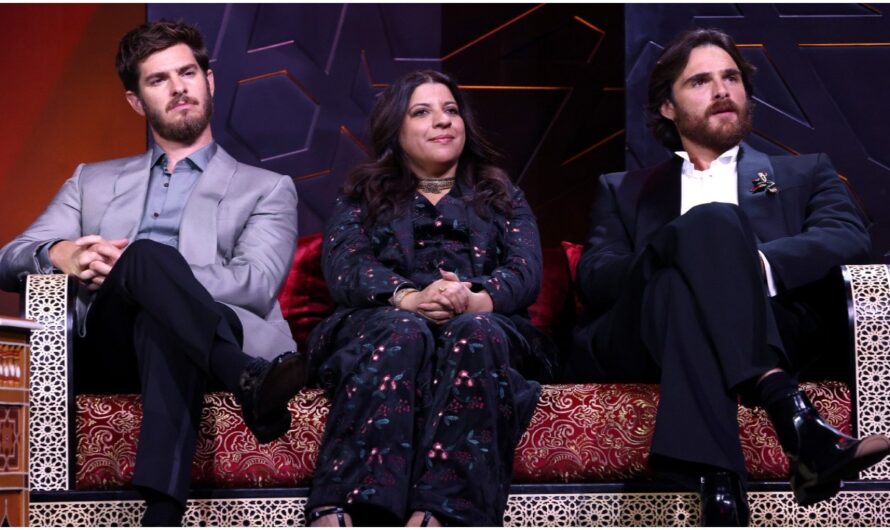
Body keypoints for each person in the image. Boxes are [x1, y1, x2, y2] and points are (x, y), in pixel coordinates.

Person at [567, 28, 890, 526]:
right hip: (641, 335)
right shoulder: (623, 190)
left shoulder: (805, 173)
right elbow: (596, 275)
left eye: (731, 77)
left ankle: (718, 487)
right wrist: (672, 253)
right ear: (668, 108)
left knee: (692, 271)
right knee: (702, 233)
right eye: (700, 81)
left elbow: (846, 236)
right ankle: (791, 413)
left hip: (775, 323)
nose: (721, 90)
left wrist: (748, 267)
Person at [0, 20, 307, 526]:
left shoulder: (266, 188)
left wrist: (151, 275)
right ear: (136, 101)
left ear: (210, 80)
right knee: (143, 263)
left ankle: (162, 515)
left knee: (154, 299)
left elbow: (255, 283)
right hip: (109, 348)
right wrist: (62, 254)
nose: (179, 87)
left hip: (210, 332)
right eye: (158, 79)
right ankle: (245, 377)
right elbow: (13, 255)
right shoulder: (90, 181)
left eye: (188, 72)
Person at [304, 70, 543, 527]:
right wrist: (409, 298)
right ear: (396, 129)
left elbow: (525, 270)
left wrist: (476, 299)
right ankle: (355, 509)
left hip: (484, 325)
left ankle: (443, 514)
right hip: (384, 321)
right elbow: (347, 267)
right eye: (423, 112)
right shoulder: (361, 196)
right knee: (403, 331)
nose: (443, 121)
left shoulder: (500, 194)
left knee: (473, 333)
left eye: (451, 110)